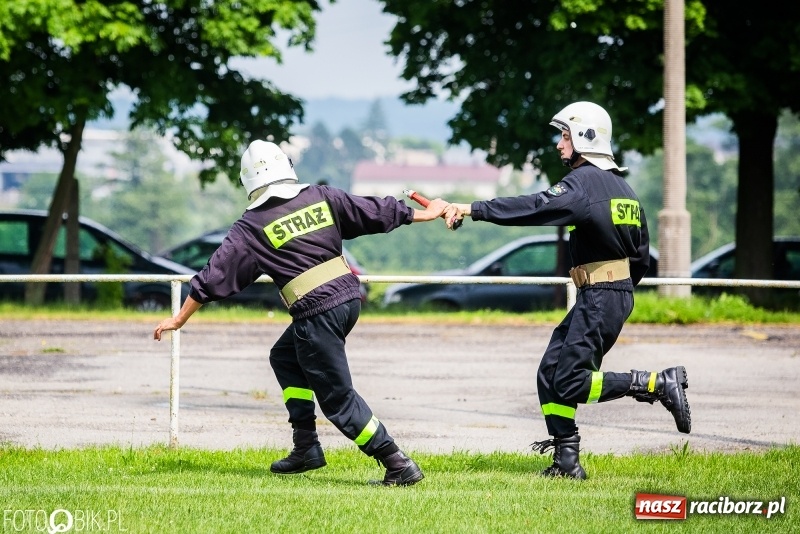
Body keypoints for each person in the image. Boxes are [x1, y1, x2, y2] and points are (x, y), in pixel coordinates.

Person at [154, 139, 449, 486]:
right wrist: (425, 213)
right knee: (285, 356)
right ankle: (306, 446)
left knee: (338, 399)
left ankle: (396, 462)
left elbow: (213, 276)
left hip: (317, 312)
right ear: (287, 167)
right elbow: (373, 210)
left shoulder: (251, 226)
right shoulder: (321, 197)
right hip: (348, 301)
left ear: (248, 180)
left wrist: (179, 318)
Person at [443, 101, 691, 479]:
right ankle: (566, 462)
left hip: (602, 296)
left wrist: (471, 208)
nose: (559, 145)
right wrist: (617, 289)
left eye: (565, 136)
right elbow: (641, 258)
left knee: (571, 380)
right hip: (610, 294)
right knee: (550, 373)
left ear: (585, 138)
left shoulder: (582, 184)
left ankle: (656, 383)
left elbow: (535, 207)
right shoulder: (625, 190)